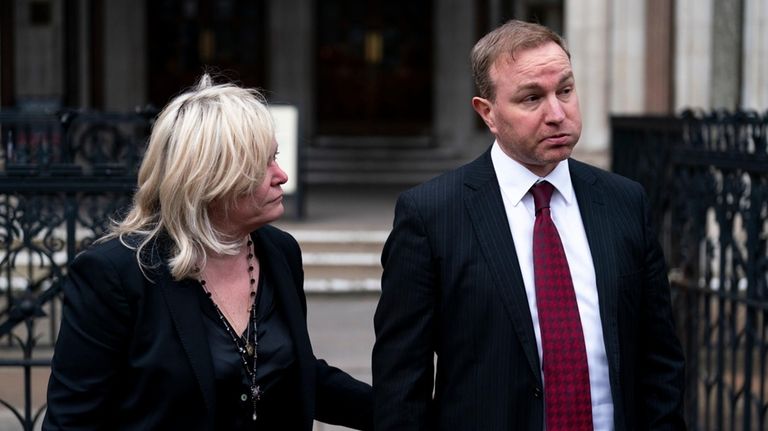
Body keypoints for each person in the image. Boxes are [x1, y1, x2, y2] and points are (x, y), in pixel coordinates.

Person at [372, 20, 685, 431]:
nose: (557, 114)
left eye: (566, 91)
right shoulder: (431, 215)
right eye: (532, 98)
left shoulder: (625, 202)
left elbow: (659, 359)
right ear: (488, 113)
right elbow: (401, 386)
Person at [44, 75, 372, 430]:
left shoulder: (280, 252)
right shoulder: (114, 274)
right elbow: (72, 422)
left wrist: (412, 412)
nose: (282, 176)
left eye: (275, 157)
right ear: (212, 178)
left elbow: (297, 374)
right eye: (262, 164)